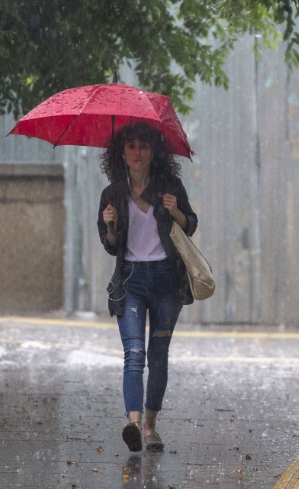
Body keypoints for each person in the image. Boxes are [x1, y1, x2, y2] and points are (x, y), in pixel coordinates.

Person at [97, 122, 198, 453]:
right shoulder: (112, 194)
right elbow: (112, 245)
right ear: (121, 153)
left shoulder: (169, 186)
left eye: (142, 146)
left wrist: (175, 211)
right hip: (131, 281)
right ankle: (134, 424)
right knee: (134, 353)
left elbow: (191, 225)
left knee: (158, 356)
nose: (136, 152)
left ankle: (151, 425)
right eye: (130, 146)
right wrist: (111, 224)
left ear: (153, 152)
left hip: (167, 280)